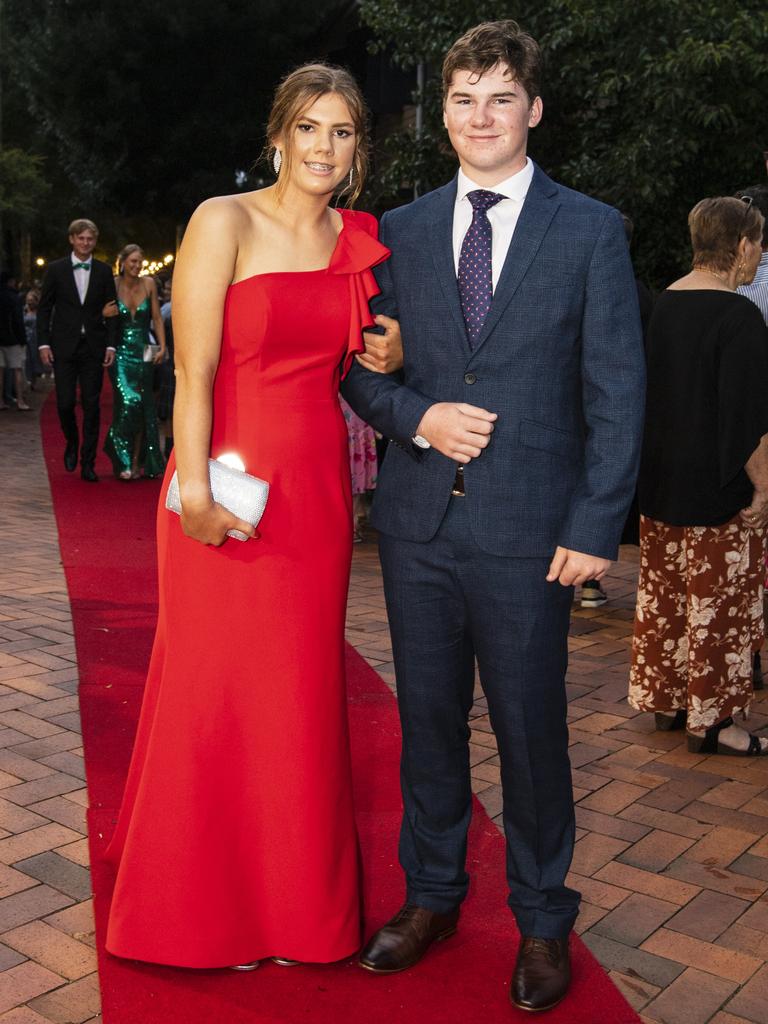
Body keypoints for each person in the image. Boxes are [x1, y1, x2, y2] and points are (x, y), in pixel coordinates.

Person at [341, 19, 645, 1014]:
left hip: (534, 535)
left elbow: (617, 392)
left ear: (533, 109)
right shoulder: (402, 229)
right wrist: (416, 413)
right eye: (464, 98)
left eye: (500, 98)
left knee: (530, 732)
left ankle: (544, 920)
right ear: (444, 112)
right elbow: (359, 369)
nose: (482, 116)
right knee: (427, 725)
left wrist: (596, 524)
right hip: (421, 527)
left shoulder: (591, 228)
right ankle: (431, 898)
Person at [104, 63, 401, 969]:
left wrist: (391, 357)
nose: (324, 147)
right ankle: (198, 913)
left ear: (358, 150)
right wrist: (191, 493)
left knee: (298, 696)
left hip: (312, 496)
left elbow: (356, 366)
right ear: (277, 133)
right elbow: (191, 374)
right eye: (309, 127)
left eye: (343, 132)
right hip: (223, 482)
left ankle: (294, 916)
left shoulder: (358, 241)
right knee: (215, 688)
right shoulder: (221, 221)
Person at [629, 196, 768, 754]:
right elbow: (749, 422)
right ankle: (717, 723)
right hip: (719, 490)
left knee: (666, 600)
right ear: (740, 246)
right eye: (757, 242)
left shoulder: (660, 306)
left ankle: (669, 700)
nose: (759, 253)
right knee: (721, 607)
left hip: (661, 484)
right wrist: (763, 487)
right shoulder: (739, 316)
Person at [36, 219, 118, 482]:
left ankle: (88, 462)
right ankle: (71, 441)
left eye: (90, 239)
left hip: (93, 347)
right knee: (64, 403)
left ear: (95, 241)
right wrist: (43, 343)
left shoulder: (104, 271)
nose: (85, 243)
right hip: (63, 346)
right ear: (72, 239)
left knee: (92, 406)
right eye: (81, 238)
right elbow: (44, 309)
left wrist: (111, 344)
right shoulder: (55, 270)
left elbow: (113, 311)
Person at [102, 244, 167, 480]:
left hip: (144, 352)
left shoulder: (149, 284)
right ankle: (121, 454)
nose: (137, 266)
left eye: (139, 261)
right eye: (132, 261)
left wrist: (163, 346)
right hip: (120, 352)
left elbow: (157, 318)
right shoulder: (113, 284)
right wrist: (102, 314)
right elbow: (102, 313)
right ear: (123, 262)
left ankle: (135, 462)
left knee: (143, 407)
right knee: (128, 402)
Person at [339, 395, 378, 540]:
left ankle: (353, 522)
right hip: (341, 413)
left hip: (356, 416)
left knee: (356, 472)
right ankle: (349, 523)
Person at [0, 272, 30, 411]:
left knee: (0, 370)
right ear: (11, 281)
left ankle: (1, 401)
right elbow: (18, 320)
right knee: (17, 369)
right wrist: (22, 339)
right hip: (13, 338)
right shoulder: (14, 297)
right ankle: (20, 400)